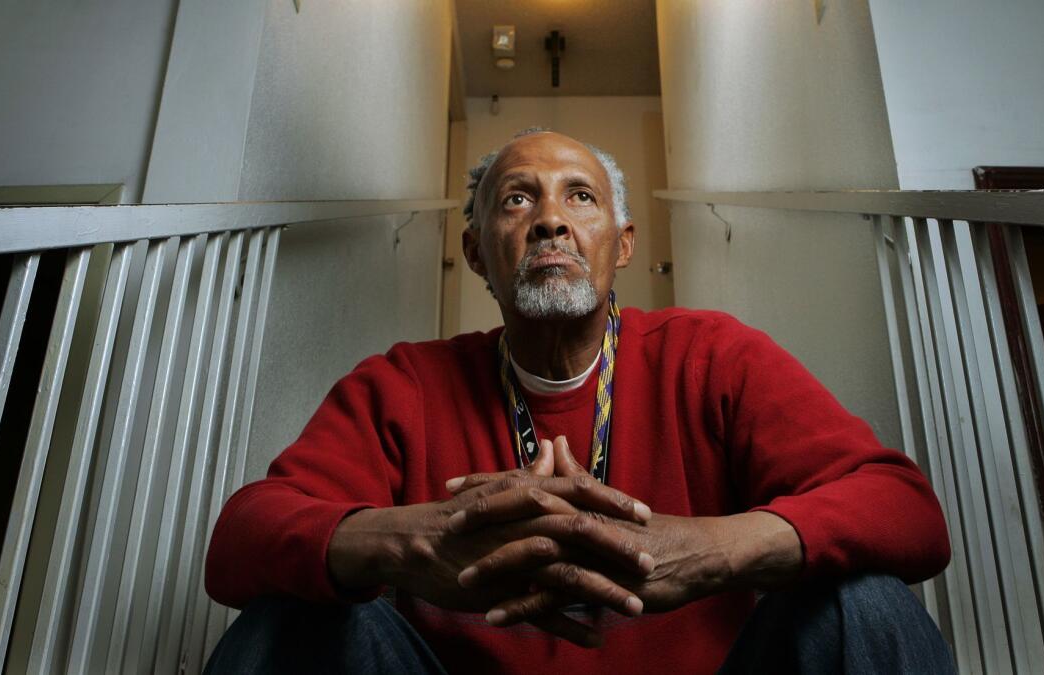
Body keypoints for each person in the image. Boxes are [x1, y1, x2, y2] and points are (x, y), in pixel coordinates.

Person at [203, 129, 954, 674]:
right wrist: (409, 542)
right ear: (476, 253)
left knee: (864, 603)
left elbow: (904, 506)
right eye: (518, 198)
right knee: (296, 614)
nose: (551, 218)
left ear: (621, 244)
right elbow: (241, 537)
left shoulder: (712, 355)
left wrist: (717, 549)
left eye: (580, 196)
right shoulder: (401, 384)